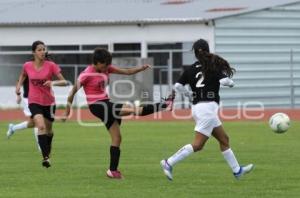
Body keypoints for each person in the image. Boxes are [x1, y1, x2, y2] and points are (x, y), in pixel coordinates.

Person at [63, 48, 174, 179]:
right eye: (104, 65)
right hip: (97, 106)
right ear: (97, 62)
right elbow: (71, 93)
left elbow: (126, 72)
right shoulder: (86, 75)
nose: (106, 68)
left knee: (117, 138)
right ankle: (165, 105)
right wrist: (67, 111)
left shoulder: (107, 68)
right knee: (132, 109)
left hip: (106, 103)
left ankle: (112, 171)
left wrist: (141, 68)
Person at [160, 39, 254, 181]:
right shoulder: (212, 66)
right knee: (198, 145)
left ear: (196, 53)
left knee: (224, 139)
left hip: (198, 108)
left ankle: (237, 170)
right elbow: (224, 81)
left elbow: (178, 86)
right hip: (207, 110)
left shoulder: (191, 69)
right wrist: (231, 83)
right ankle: (169, 162)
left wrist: (189, 95)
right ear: (207, 50)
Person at [15, 40, 68, 168]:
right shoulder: (27, 65)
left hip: (49, 102)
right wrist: (18, 89)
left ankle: (47, 150)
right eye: (39, 50)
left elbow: (64, 82)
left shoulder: (51, 65)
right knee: (41, 126)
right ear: (34, 52)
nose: (43, 52)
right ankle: (46, 158)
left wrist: (52, 83)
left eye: (44, 49)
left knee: (49, 131)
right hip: (34, 101)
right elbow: (22, 76)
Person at [6, 77, 41, 151]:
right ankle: (41, 146)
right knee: (37, 121)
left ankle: (13, 128)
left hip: (39, 98)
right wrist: (18, 95)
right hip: (29, 99)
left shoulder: (41, 70)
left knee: (31, 124)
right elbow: (18, 82)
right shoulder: (27, 69)